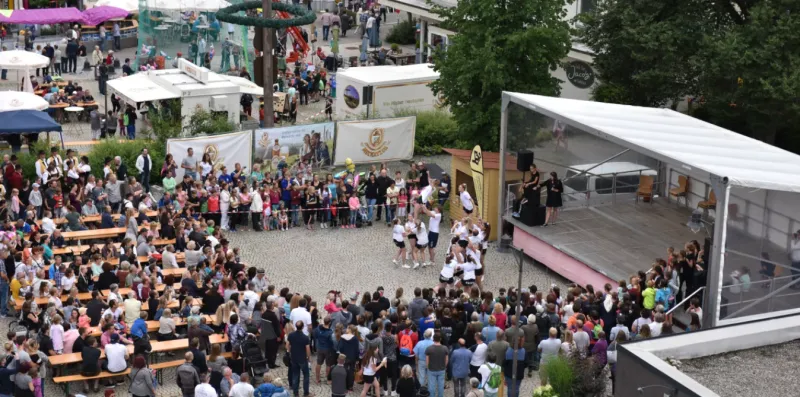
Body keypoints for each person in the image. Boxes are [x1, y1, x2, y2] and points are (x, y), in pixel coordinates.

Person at [286, 320, 312, 397]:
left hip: (294, 358)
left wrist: (290, 351)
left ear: (296, 326)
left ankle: (296, 392)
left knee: (295, 375)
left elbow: (287, 345)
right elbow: (307, 349)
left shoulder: (291, 335)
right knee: (306, 375)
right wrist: (309, 357)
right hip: (303, 359)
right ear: (303, 327)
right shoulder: (305, 338)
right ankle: (306, 393)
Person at [425, 333, 449, 397]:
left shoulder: (429, 348)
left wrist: (428, 367)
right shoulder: (445, 348)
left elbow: (427, 360)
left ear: (433, 339)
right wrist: (444, 366)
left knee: (431, 386)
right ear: (440, 339)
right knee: (441, 386)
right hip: (441, 369)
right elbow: (446, 360)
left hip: (431, 369)